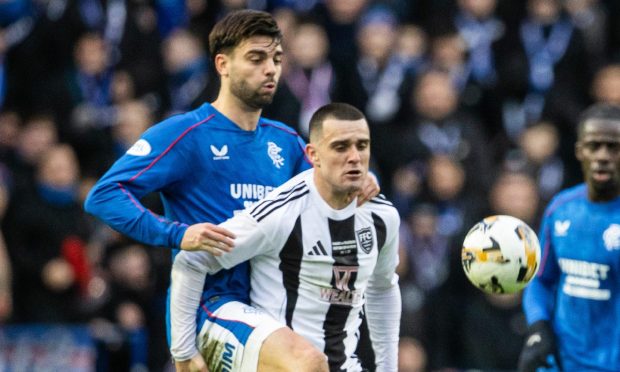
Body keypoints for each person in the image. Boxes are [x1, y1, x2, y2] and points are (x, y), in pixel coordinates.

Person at [84, 9, 378, 372]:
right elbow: (104, 195)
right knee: (307, 363)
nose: (270, 69)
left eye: (276, 59)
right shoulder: (187, 134)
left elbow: (327, 192)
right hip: (212, 304)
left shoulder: (285, 143)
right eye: (256, 58)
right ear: (222, 64)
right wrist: (176, 233)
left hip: (272, 304)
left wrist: (358, 185)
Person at [170, 102, 401, 372]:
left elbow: (383, 288)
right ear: (313, 155)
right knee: (310, 363)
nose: (354, 157)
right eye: (341, 147)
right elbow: (192, 260)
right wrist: (183, 351)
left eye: (362, 146)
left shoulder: (383, 217)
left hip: (337, 363)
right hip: (271, 354)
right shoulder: (283, 211)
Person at [519, 103, 620, 372]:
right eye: (594, 146)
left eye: (613, 147)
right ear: (579, 151)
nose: (603, 156)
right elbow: (540, 280)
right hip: (560, 364)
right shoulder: (560, 208)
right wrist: (538, 328)